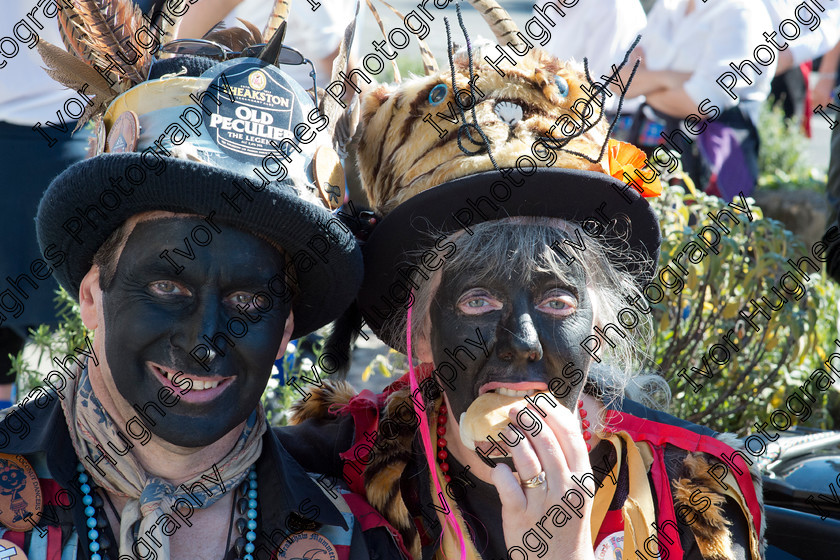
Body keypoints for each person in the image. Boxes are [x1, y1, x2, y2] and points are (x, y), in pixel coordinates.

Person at [278, 2, 766, 559]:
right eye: (478, 298)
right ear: (419, 331)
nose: (523, 342)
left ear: (601, 324)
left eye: (558, 299)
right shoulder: (331, 470)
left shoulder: (689, 493)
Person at [0, 7, 402, 560]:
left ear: (285, 328)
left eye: (248, 299)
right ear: (93, 296)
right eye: (168, 287)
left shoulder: (344, 537)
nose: (204, 340)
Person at [621, 0, 774, 200]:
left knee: (698, 224)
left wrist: (645, 84)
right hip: (653, 147)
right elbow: (620, 79)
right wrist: (671, 79)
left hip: (707, 158)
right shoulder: (670, 5)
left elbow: (700, 103)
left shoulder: (740, 11)